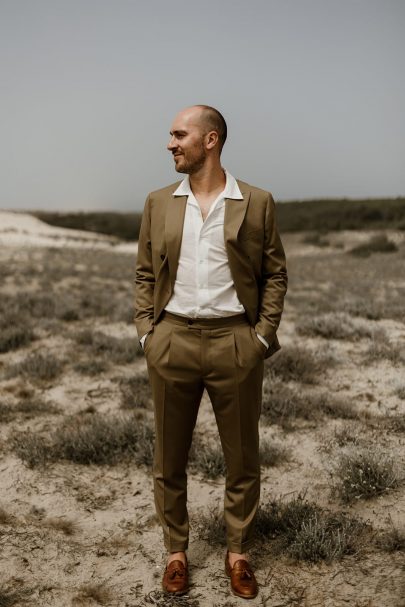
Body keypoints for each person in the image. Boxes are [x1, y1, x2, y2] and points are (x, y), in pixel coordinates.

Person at [134, 105, 287, 599]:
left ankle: (237, 552)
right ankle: (176, 552)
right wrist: (147, 333)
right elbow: (143, 273)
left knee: (241, 456)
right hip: (172, 339)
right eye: (171, 135)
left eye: (180, 134)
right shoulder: (158, 202)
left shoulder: (256, 201)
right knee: (168, 456)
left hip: (234, 342)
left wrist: (261, 335)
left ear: (211, 141)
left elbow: (274, 274)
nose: (170, 143)